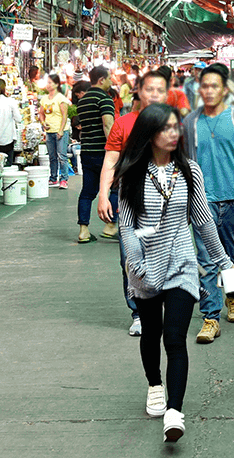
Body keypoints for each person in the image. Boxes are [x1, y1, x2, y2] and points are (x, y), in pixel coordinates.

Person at [117, 103, 234, 443]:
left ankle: (174, 410)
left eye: (176, 127)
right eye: (166, 128)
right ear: (149, 134)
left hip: (182, 264)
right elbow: (127, 227)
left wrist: (223, 261)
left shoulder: (190, 171)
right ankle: (155, 384)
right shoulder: (132, 175)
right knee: (151, 333)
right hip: (145, 268)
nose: (174, 133)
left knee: (174, 338)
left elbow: (202, 220)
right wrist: (136, 265)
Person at [181, 63, 234, 343]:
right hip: (202, 203)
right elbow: (183, 161)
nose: (209, 91)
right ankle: (210, 317)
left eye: (215, 85)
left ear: (225, 89)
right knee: (206, 261)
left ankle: (233, 297)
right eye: (204, 86)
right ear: (198, 89)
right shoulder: (190, 122)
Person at [100, 70, 172, 336]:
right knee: (130, 261)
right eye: (148, 89)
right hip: (130, 206)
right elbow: (110, 161)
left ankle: (159, 307)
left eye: (159, 90)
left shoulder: (172, 124)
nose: (153, 95)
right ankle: (139, 313)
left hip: (164, 207)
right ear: (138, 93)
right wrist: (103, 194)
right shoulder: (123, 123)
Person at [75, 66, 117, 243]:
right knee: (115, 188)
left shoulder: (82, 101)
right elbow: (108, 125)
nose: (111, 82)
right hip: (104, 152)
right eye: (109, 79)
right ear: (101, 80)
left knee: (87, 191)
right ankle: (111, 225)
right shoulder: (105, 99)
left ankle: (83, 231)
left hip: (87, 152)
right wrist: (114, 149)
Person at [40, 74, 72, 188]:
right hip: (49, 131)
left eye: (50, 83)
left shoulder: (61, 98)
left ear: (56, 84)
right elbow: (41, 113)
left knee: (61, 156)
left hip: (60, 131)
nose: (48, 85)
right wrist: (43, 124)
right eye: (47, 82)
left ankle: (64, 179)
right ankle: (53, 178)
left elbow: (64, 115)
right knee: (52, 156)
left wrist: (61, 130)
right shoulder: (44, 99)